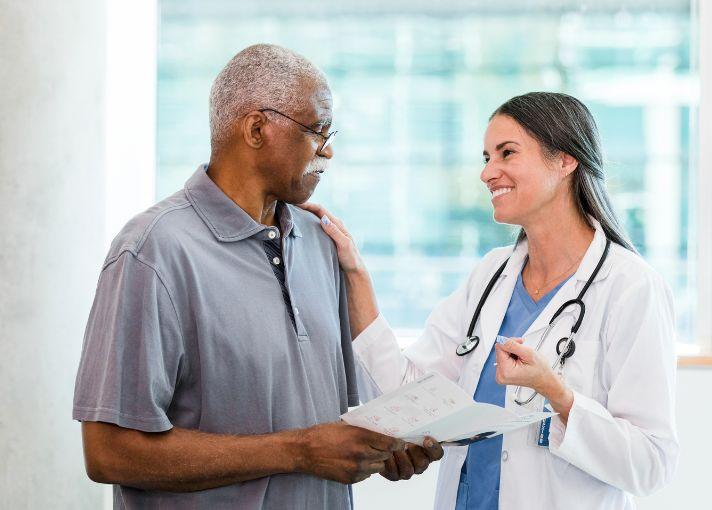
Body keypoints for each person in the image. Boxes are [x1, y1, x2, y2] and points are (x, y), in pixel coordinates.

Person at [72, 44, 441, 509]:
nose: (328, 151)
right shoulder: (152, 251)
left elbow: (345, 421)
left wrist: (387, 446)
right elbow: (109, 453)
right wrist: (298, 451)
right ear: (256, 128)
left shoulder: (320, 243)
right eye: (317, 131)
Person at [304, 91, 679, 510]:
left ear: (565, 160)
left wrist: (557, 393)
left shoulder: (630, 288)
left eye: (506, 153)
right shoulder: (491, 274)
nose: (487, 173)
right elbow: (409, 392)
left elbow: (651, 463)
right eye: (486, 157)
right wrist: (356, 274)